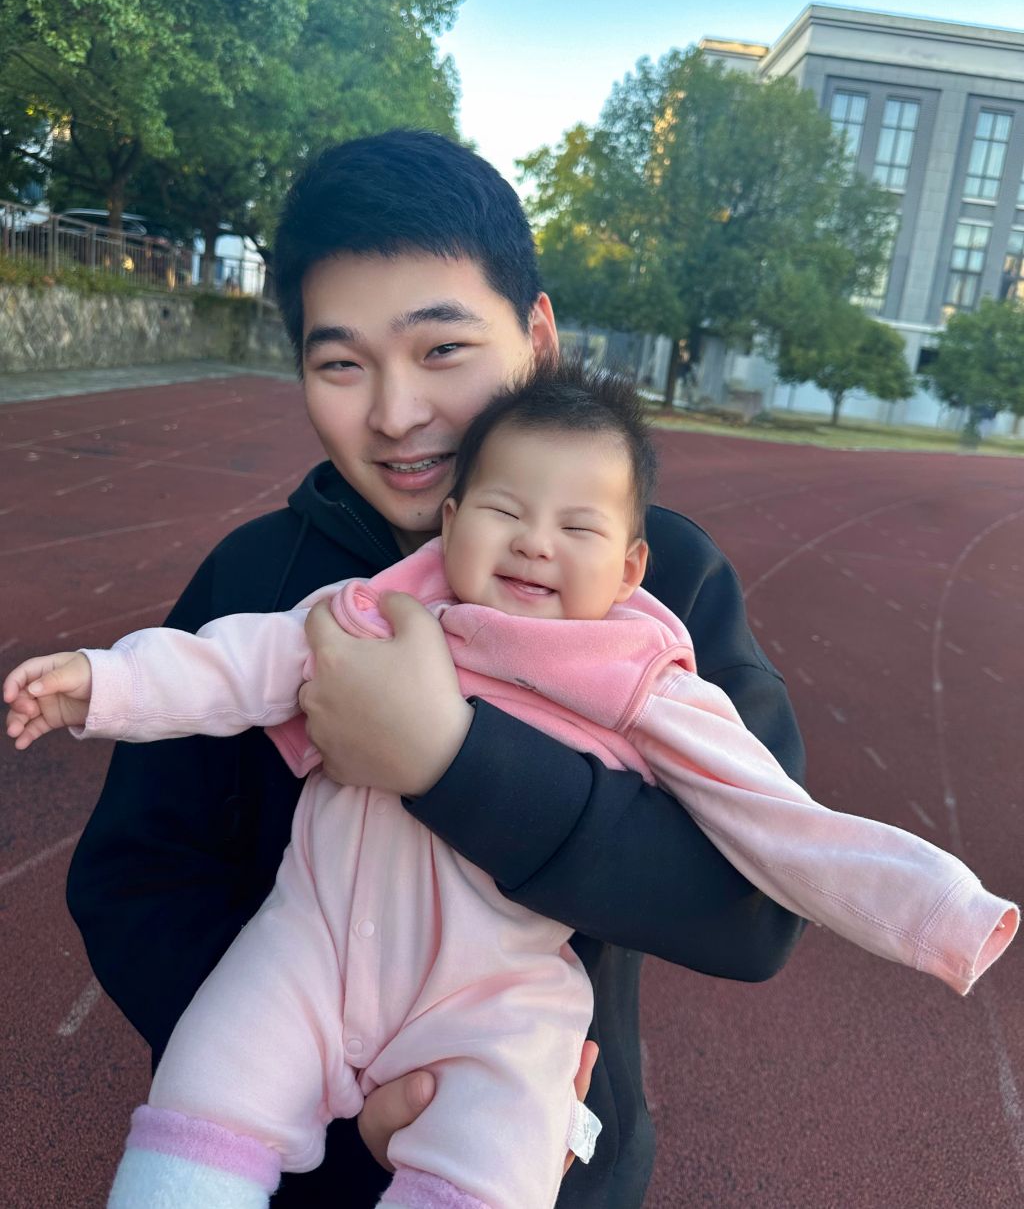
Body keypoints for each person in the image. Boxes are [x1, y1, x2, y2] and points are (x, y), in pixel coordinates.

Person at [6, 359, 1016, 1209]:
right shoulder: (374, 612)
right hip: (310, 949)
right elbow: (237, 662)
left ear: (630, 569)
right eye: (503, 510)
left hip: (491, 993)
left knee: (502, 1144)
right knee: (209, 1082)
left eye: (577, 528)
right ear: (450, 522)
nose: (535, 541)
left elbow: (771, 818)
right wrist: (105, 683)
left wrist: (937, 909)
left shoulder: (634, 680)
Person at [55, 131, 810, 1208]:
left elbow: (754, 911)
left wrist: (449, 761)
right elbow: (135, 877)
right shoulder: (255, 579)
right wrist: (322, 1087)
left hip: (533, 1158)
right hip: (283, 1163)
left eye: (443, 349)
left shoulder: (659, 588)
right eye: (341, 363)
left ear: (536, 338)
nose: (396, 412)